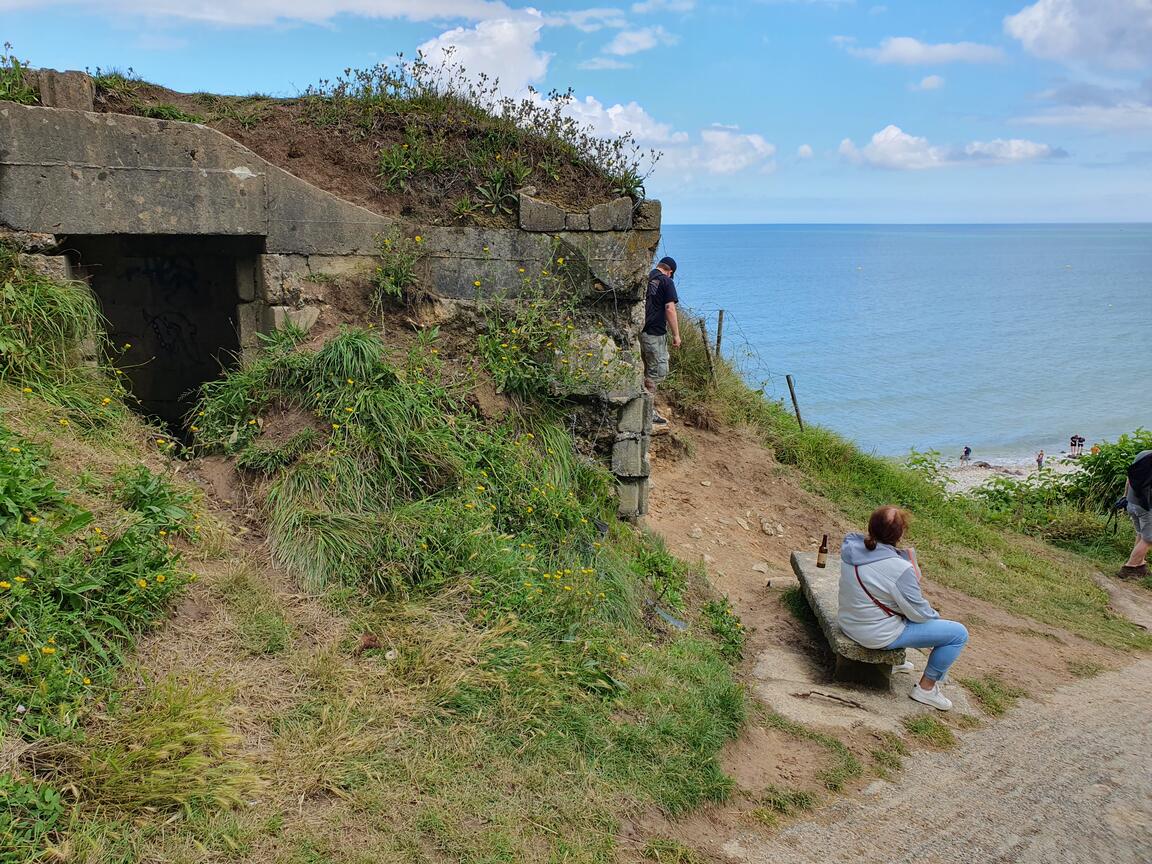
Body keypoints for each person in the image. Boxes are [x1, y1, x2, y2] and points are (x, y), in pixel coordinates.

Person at [837, 506, 968, 711]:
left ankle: (896, 664)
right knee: (957, 634)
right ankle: (926, 689)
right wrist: (936, 616)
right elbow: (918, 613)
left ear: (871, 526)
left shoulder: (852, 547)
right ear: (901, 533)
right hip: (874, 634)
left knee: (892, 606)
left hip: (849, 621)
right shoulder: (898, 567)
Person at [640, 256, 681, 429]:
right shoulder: (666, 281)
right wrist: (676, 335)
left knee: (646, 369)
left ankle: (644, 410)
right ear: (670, 272)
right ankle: (647, 414)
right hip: (655, 333)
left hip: (641, 332)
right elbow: (670, 308)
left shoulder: (645, 277)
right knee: (657, 372)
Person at [1119, 449, 1152, 580]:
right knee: (1149, 539)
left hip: (1131, 503)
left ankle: (1140, 565)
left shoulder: (1142, 454)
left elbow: (1129, 477)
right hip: (1146, 508)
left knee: (1141, 534)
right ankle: (1129, 568)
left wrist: (1125, 496)